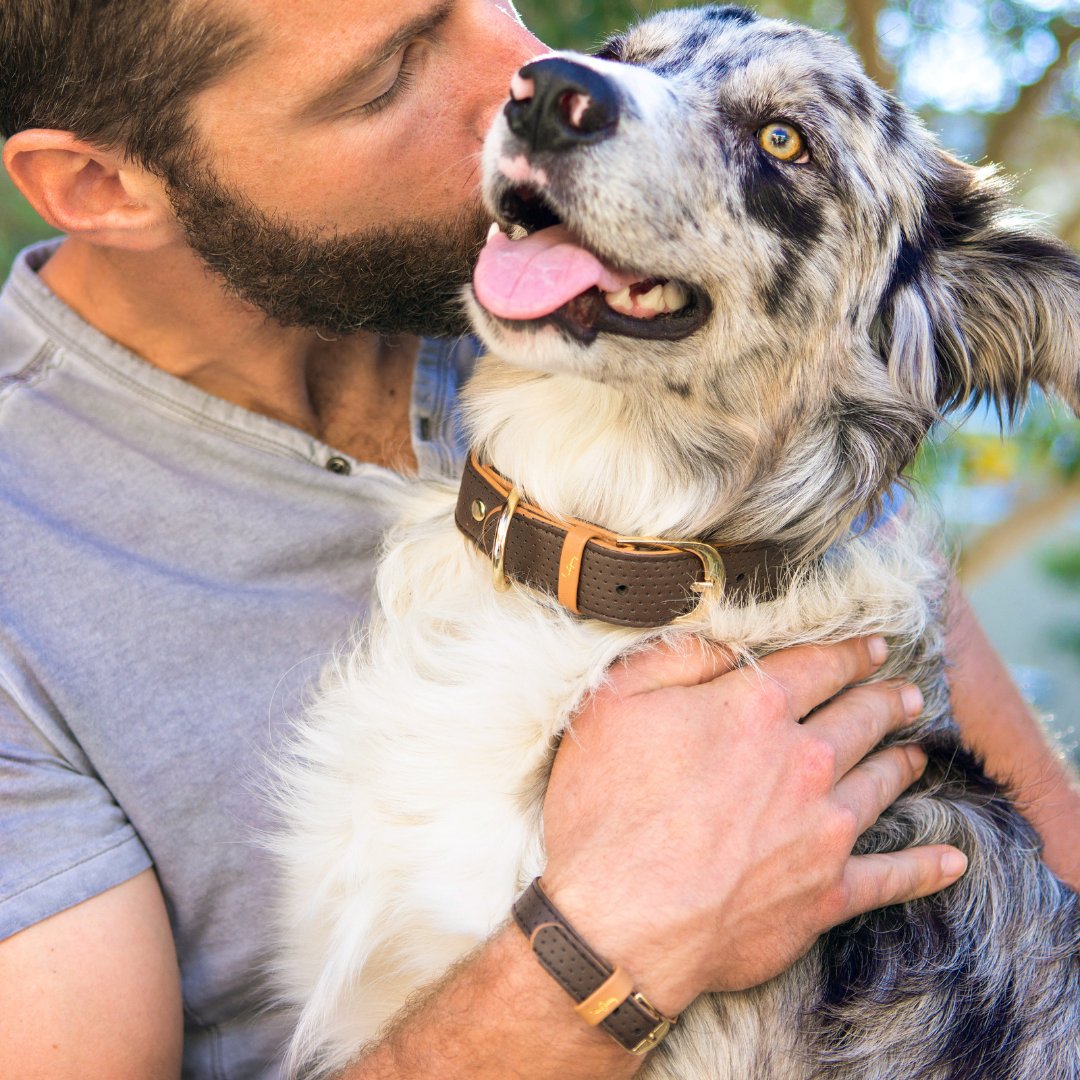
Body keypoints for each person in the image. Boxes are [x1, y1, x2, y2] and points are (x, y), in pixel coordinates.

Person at [0, 1, 1076, 1077]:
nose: (533, 73)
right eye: (387, 77)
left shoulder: (757, 402)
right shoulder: (26, 575)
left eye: (495, 0)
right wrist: (609, 938)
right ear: (100, 186)